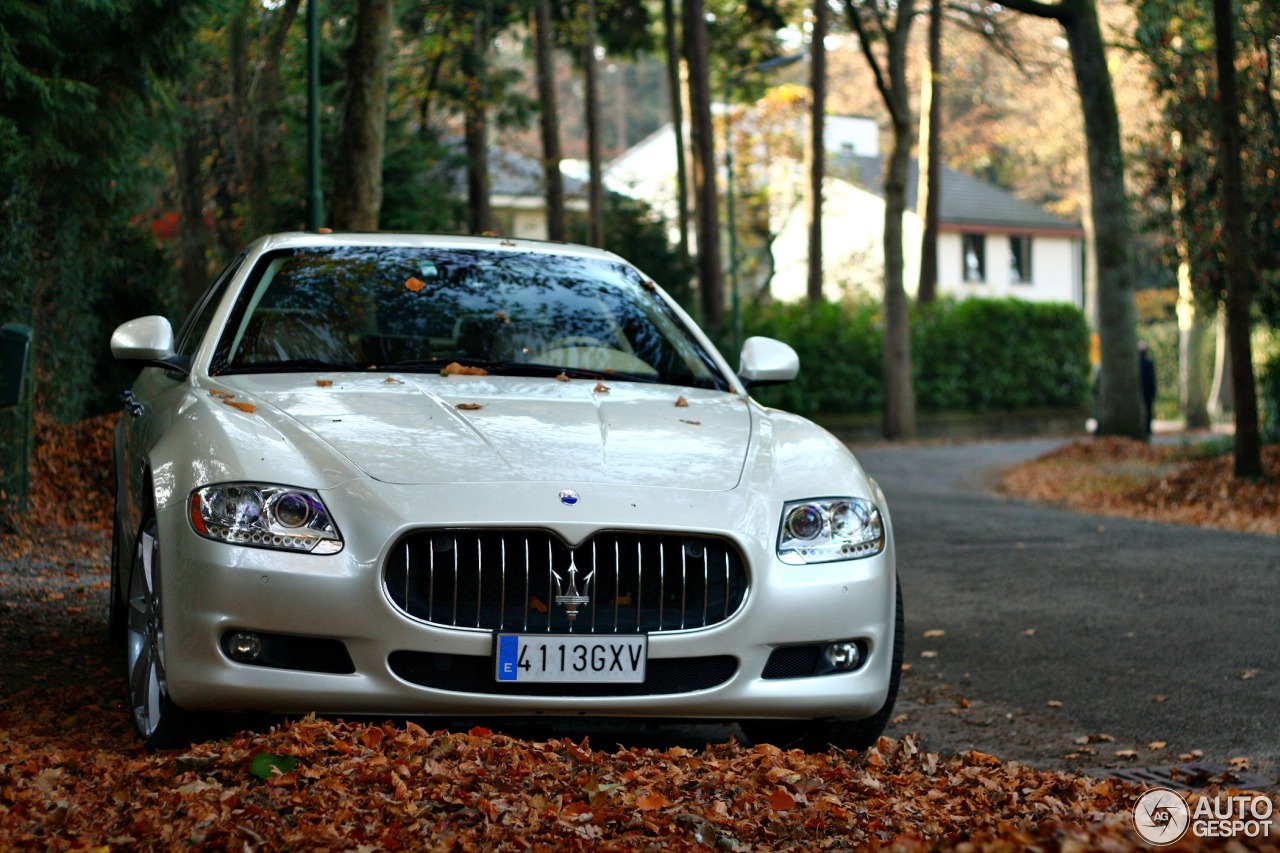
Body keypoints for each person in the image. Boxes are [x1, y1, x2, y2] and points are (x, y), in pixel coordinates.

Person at [1138, 340, 1157, 436]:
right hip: (1147, 390)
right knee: (1148, 410)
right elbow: (1152, 378)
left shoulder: (1137, 363)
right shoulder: (1148, 362)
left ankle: (1145, 428)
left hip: (1142, 390)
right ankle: (1147, 429)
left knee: (1146, 410)